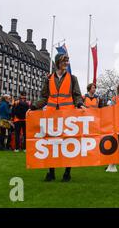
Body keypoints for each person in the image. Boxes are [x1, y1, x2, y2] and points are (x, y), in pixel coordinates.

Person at [32, 53, 85, 182]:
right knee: (51, 144)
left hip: (67, 117)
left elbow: (77, 94)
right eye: (64, 61)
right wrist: (34, 106)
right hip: (51, 116)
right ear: (57, 63)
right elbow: (44, 96)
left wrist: (80, 104)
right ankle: (51, 172)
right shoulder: (49, 78)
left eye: (67, 61)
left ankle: (67, 172)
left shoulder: (73, 78)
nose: (66, 63)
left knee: (68, 144)